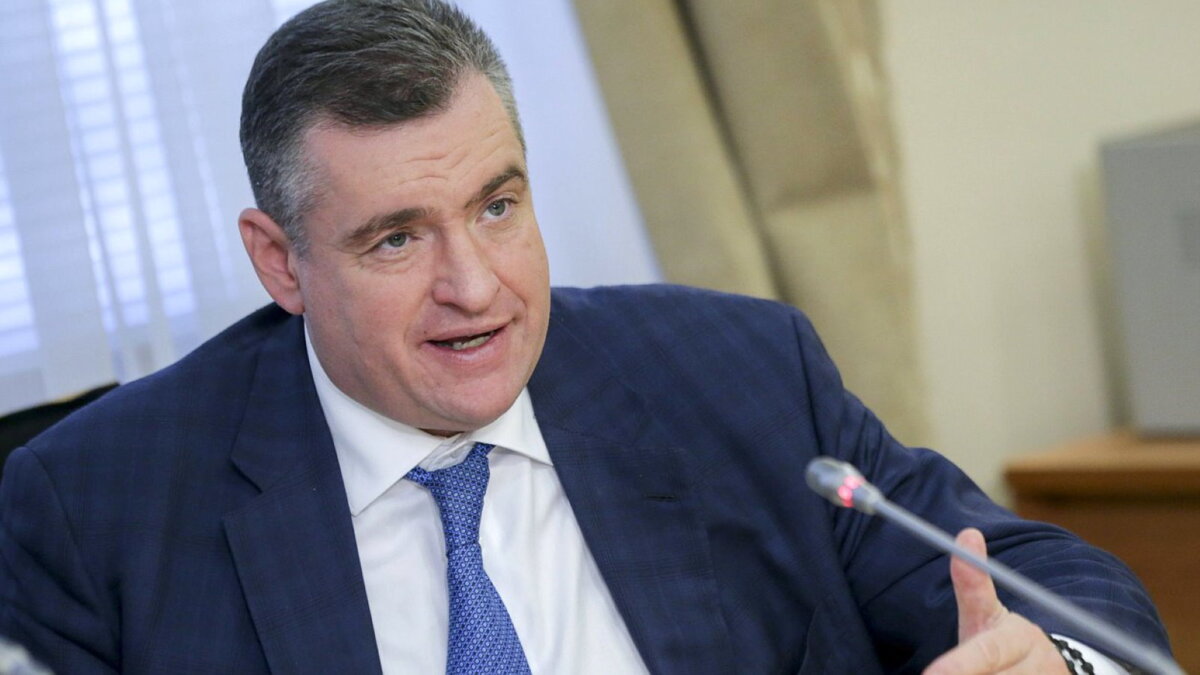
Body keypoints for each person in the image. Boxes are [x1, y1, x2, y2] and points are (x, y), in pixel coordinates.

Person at [0, 1, 1171, 673]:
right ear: (279, 262)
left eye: (497, 207)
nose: (476, 288)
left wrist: (1052, 662)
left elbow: (1050, 584)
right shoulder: (95, 507)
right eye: (397, 239)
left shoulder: (737, 377)